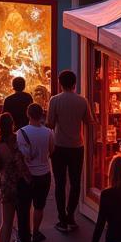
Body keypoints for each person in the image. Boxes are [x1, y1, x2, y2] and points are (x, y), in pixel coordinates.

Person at [46, 69, 94, 233]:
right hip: (77, 146)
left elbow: (50, 124)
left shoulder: (55, 100)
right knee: (75, 183)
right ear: (74, 84)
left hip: (59, 146)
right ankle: (71, 215)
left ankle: (62, 219)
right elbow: (89, 121)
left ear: (60, 84)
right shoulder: (82, 101)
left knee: (60, 183)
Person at [0, 113, 32, 242]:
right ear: (13, 125)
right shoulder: (19, 140)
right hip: (23, 184)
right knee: (24, 219)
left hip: (8, 185)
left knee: (6, 223)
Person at [18, 103, 55, 242]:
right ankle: (36, 232)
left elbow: (21, 155)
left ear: (28, 114)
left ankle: (24, 235)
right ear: (42, 115)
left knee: (24, 206)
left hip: (27, 175)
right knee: (39, 206)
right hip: (44, 173)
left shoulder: (21, 132)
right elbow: (52, 151)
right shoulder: (48, 132)